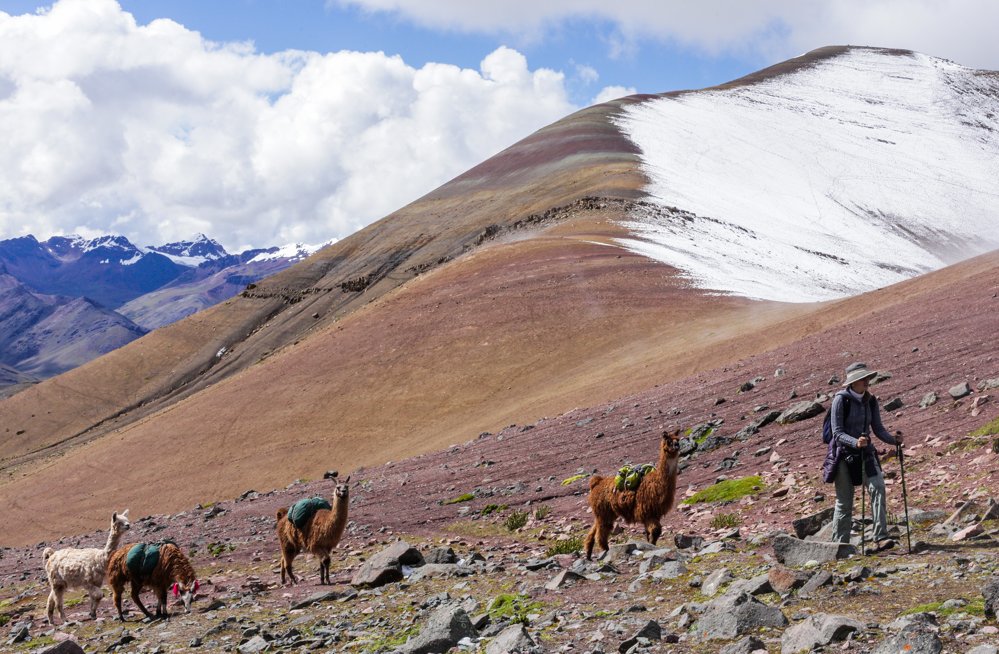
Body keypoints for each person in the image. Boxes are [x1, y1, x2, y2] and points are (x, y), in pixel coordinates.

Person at [824, 362, 903, 551]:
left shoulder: (871, 400)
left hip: (866, 453)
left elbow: (878, 429)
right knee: (844, 501)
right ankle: (840, 545)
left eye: (867, 377)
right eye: (862, 378)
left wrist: (894, 440)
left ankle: (881, 537)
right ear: (853, 382)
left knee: (878, 488)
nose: (867, 381)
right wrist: (855, 442)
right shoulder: (840, 400)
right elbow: (837, 433)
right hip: (843, 455)